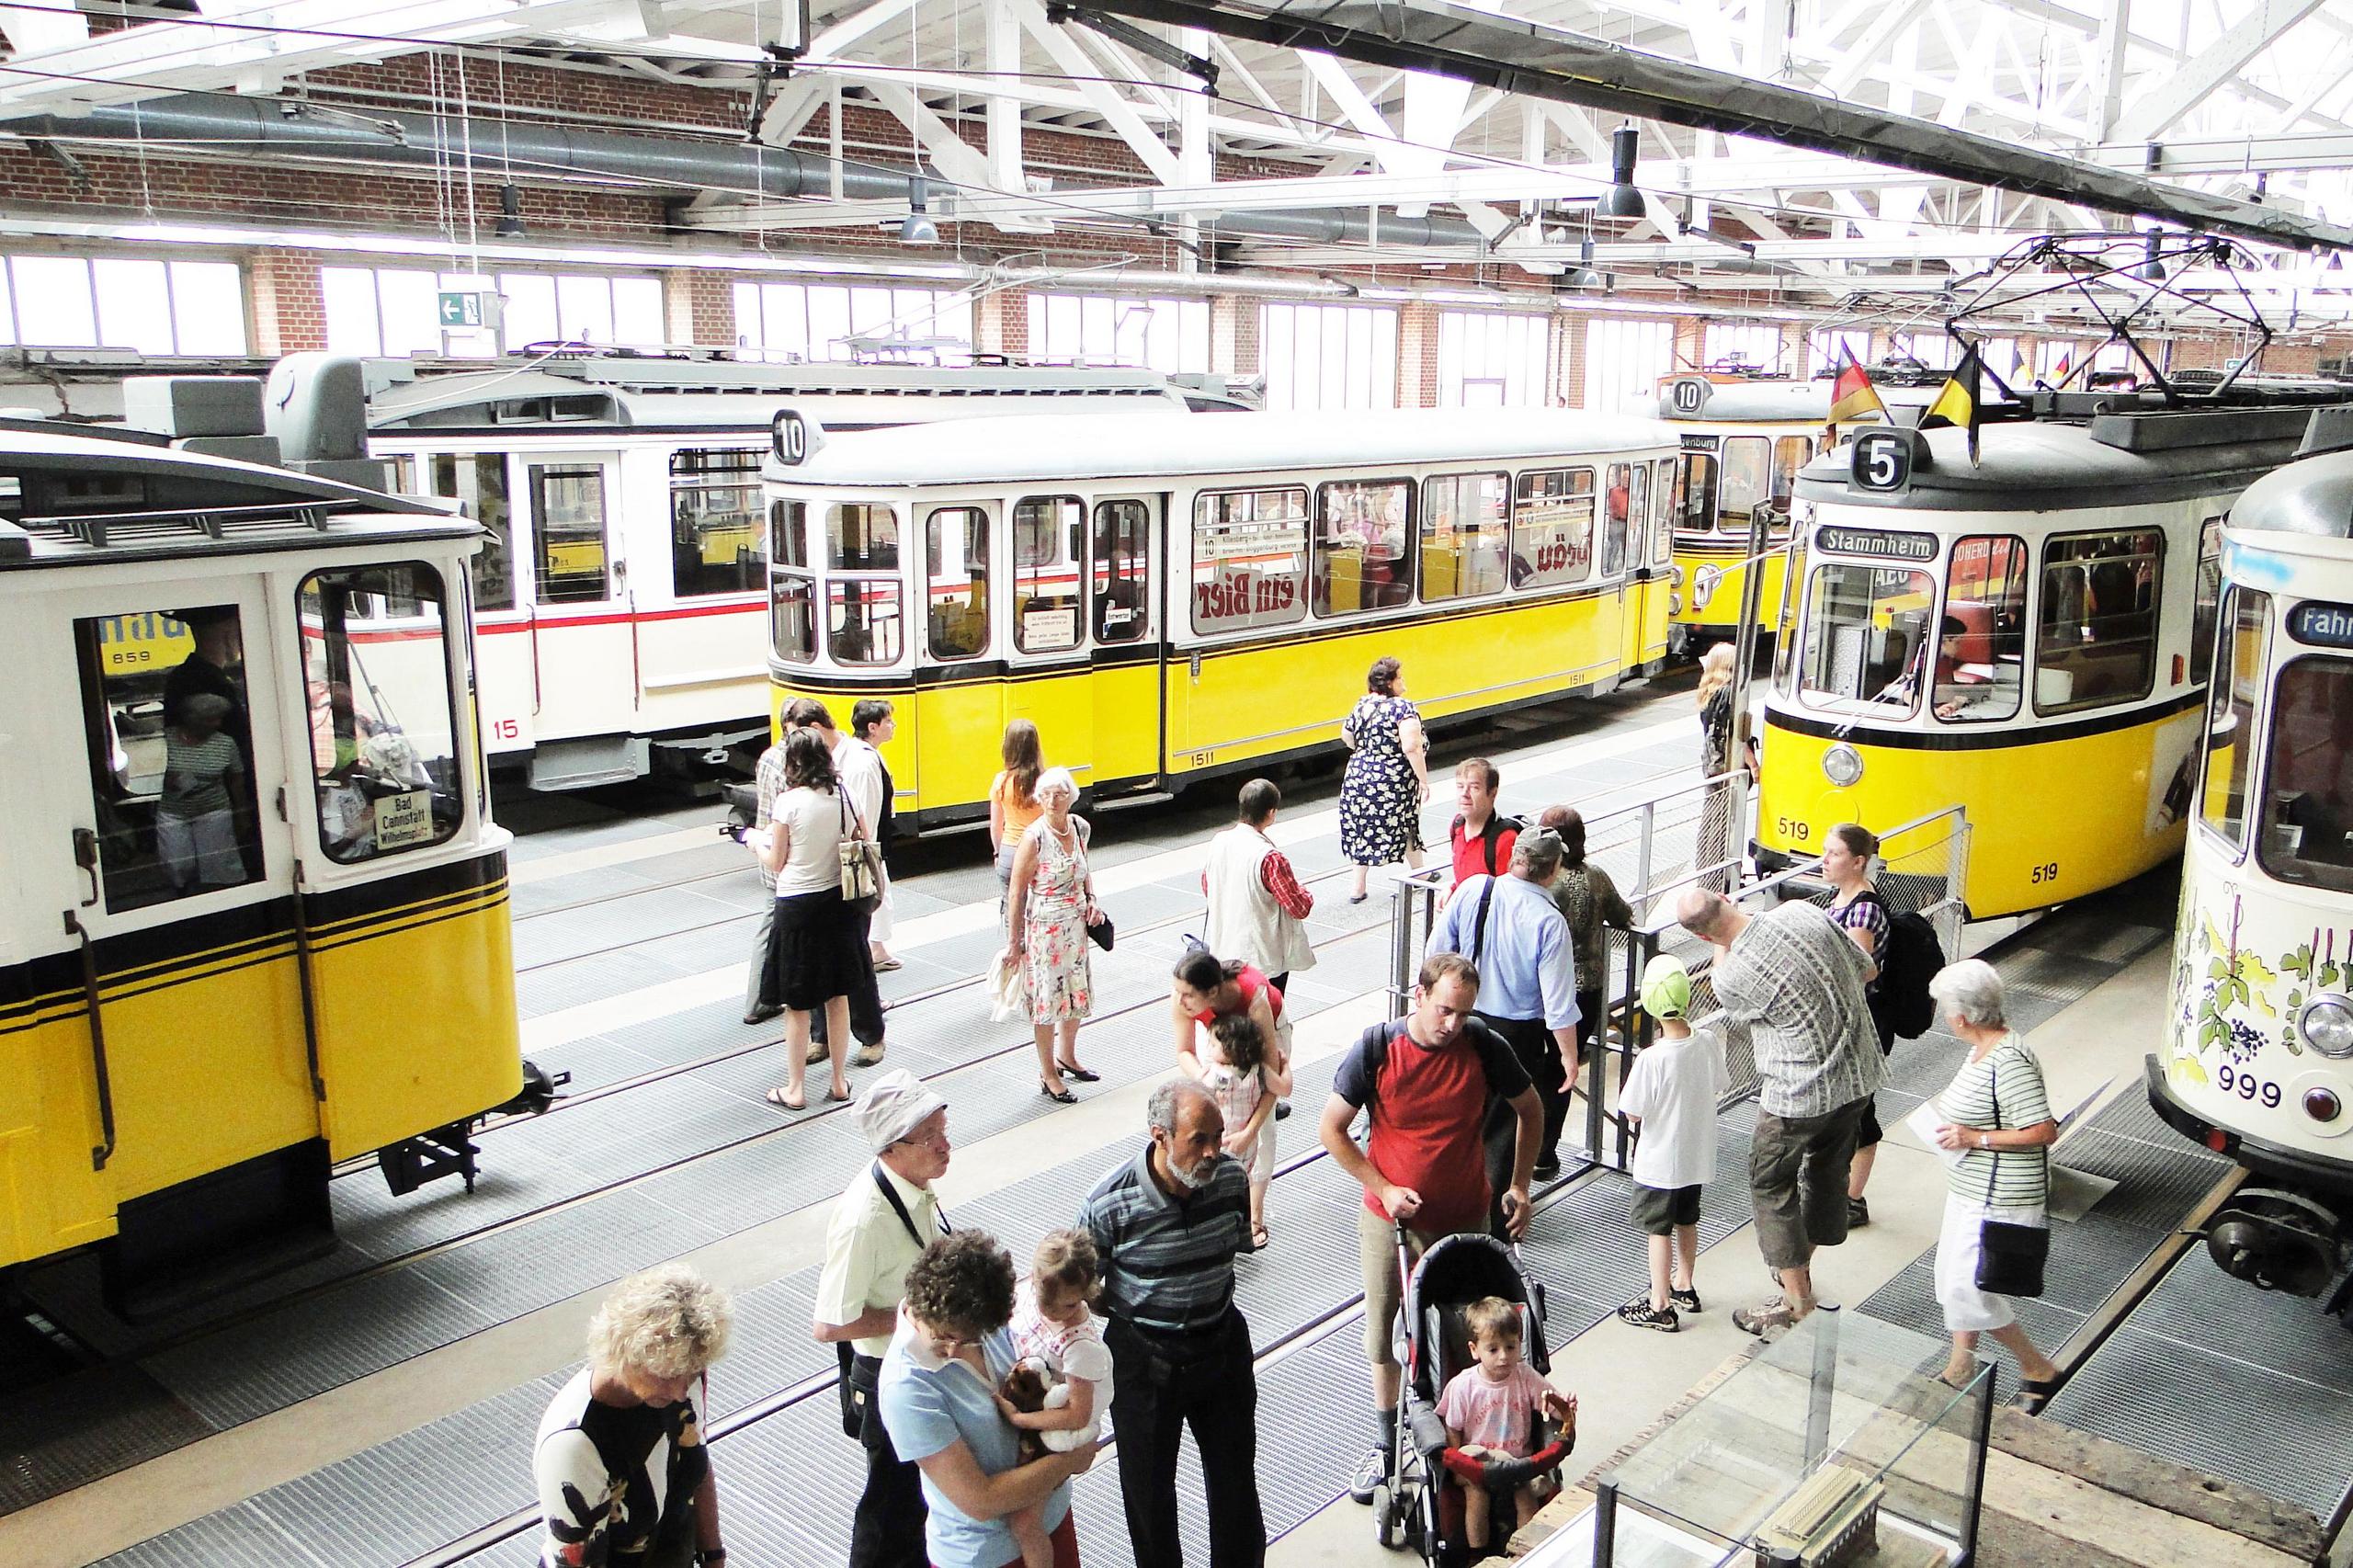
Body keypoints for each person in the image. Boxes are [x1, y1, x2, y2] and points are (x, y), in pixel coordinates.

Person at [1323, 953, 1541, 1506]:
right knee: (1384, 1338)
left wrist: (1519, 1185)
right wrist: (1385, 1187)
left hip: (1466, 1219)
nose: (1452, 1024)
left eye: (1463, 1014)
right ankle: (1386, 1445)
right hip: (1390, 1224)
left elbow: (1531, 1109)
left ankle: (1467, 1439)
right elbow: (1333, 1130)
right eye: (1445, 1010)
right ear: (1417, 997)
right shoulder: (1377, 1049)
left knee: (1462, 1337)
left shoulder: (1484, 1045)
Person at [1676, 887, 1882, 1340]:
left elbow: (1731, 997)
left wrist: (1720, 950)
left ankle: (1797, 1301)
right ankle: (1799, 1269)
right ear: (1724, 898)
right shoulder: (1802, 913)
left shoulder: (1732, 975)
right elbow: (1866, 968)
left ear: (1700, 935)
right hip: (1858, 1076)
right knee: (1829, 1171)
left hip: (1797, 1096)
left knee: (1770, 1183)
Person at [1079, 1079, 1265, 1568]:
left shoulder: (1230, 1179)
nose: (1211, 1152)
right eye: (1197, 1139)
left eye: (1218, 1137)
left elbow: (1234, 1248)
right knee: (1149, 1494)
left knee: (1236, 1487)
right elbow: (1083, 1287)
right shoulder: (1108, 1203)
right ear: (1159, 1135)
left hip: (1221, 1346)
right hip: (1144, 1361)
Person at [879, 1231, 1097, 1568]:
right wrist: (1070, 1459)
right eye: (944, 1337)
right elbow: (980, 1499)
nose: (953, 1350)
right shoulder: (906, 1388)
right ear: (923, 1304)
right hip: (985, 1555)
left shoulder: (983, 1320)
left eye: (968, 1340)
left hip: (1050, 1515)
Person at [815, 1072, 954, 1568]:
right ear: (891, 1149)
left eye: (943, 1128)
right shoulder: (865, 1218)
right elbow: (830, 1325)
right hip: (885, 1379)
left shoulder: (914, 1184)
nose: (946, 1145)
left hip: (921, 1363)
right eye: (930, 1137)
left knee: (920, 1504)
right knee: (889, 1510)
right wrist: (916, 1321)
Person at [1926, 959, 2063, 1410]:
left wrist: (1973, 1138)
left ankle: (2038, 1368)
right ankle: (1961, 1364)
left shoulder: (2009, 1060)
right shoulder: (1981, 1051)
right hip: (1971, 1188)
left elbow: (2043, 1129)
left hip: (2001, 1195)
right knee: (1953, 1279)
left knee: (1970, 1289)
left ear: (1960, 1017)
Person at [532, 1264, 731, 1568]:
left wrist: (714, 1557)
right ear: (628, 1355)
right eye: (668, 1375)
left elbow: (696, 1466)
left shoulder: (682, 1373)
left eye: (690, 1374)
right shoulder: (574, 1443)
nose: (680, 1392)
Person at [1429, 828, 1580, 1186]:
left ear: (1515, 857)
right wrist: (1569, 1058)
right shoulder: (1549, 921)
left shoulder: (1474, 889)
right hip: (1517, 1035)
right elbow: (1558, 1003)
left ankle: (1447, 1196)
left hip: (1461, 1020)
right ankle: (1491, 1213)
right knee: (1501, 1129)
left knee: (1458, 1111)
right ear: (1553, 869)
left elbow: (1435, 956)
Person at [1612, 955, 1729, 1333]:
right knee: (1687, 1219)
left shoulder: (1652, 1058)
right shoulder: (1707, 1041)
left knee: (1657, 1229)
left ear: (1648, 1004)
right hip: (1696, 1155)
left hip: (1660, 1161)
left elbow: (1631, 1112)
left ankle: (1659, 1304)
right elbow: (1718, 1084)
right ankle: (1684, 1283)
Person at [756, 729, 862, 1111]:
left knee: (798, 1004)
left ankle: (795, 1088)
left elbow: (776, 861)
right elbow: (861, 839)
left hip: (797, 909)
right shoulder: (843, 795)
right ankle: (838, 1082)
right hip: (837, 904)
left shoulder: (787, 803)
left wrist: (754, 842)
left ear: (793, 761)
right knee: (838, 995)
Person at [1002, 1231, 1116, 1568]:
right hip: (1031, 1400)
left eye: (1066, 1304)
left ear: (1085, 1293)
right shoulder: (1024, 1295)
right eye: (1043, 1299)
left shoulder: (1080, 1346)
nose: (1052, 1312)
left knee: (1024, 1523)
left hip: (1055, 1432)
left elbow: (1077, 1414)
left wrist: (1021, 1420)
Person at [789, 698, 888, 1069]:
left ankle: (870, 1035)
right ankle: (822, 1036)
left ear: (814, 731)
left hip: (847, 883)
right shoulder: (806, 783)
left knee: (855, 963)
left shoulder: (858, 763)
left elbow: (866, 830)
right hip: (815, 884)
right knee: (816, 965)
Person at [1438, 1296, 1575, 1553]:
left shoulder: (1525, 1377)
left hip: (1517, 1464)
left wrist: (1565, 1405)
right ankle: (1478, 1553)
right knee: (1476, 1498)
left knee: (1526, 1500)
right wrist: (1457, 1467)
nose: (1503, 1357)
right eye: (1493, 1349)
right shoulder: (1463, 1386)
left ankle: (1525, 1551)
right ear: (1474, 1350)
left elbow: (1551, 1405)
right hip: (1478, 1465)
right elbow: (1453, 1427)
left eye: (1511, 1347)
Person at [1007, 767, 1102, 1102]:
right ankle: (1048, 1073)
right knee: (1047, 1001)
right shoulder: (1034, 837)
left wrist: (1092, 900)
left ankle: (1068, 1056)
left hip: (1075, 925)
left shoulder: (1078, 827)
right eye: (1045, 794)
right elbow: (1017, 892)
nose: (1051, 800)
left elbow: (1085, 870)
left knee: (1076, 993)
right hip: (1045, 929)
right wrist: (1014, 943)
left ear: (1070, 797)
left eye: (1059, 793)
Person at [1821, 823, 1893, 1228]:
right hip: (1848, 1022)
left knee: (1860, 1110)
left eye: (1833, 854)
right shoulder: (1841, 898)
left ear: (1858, 861)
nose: (1824, 860)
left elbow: (1858, 970)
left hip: (1861, 1024)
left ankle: (1851, 1199)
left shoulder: (1863, 909)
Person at [1539, 805, 1634, 1084]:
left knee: (1539, 1070)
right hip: (1586, 991)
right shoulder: (1596, 877)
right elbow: (1622, 915)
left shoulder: (1543, 883)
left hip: (1545, 989)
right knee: (1564, 1073)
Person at [1199, 778, 1315, 996]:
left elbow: (1208, 886)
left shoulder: (1219, 842)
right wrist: (1306, 893)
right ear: (1271, 813)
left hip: (1223, 953)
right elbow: (1299, 907)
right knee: (1266, 1019)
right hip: (1262, 961)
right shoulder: (1270, 858)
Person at [1339, 656, 1429, 903]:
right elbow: (1412, 747)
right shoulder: (1403, 708)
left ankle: (1357, 887)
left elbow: (1346, 735)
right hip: (1392, 780)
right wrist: (1423, 780)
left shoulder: (1363, 704)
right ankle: (1420, 874)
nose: (1404, 682)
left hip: (1358, 777)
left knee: (1362, 828)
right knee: (1407, 823)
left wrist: (1367, 753)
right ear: (1390, 682)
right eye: (1400, 677)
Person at [1200, 1013, 1293, 1251]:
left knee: (1215, 1189)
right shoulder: (1258, 1070)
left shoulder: (1217, 1075)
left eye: (1213, 1044)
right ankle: (1245, 1225)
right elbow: (1285, 1088)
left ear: (1229, 1048)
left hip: (1221, 1143)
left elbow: (1200, 1094)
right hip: (1248, 1146)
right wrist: (1284, 1065)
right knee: (1242, 1184)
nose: (1209, 1049)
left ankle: (1218, 1231)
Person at [157, 691, 247, 891]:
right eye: (210, 719)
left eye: (219, 718)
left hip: (213, 808)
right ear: (191, 719)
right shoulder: (166, 738)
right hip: (173, 809)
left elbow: (236, 778)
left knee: (219, 864)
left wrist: (241, 813)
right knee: (177, 863)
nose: (217, 723)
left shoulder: (225, 743)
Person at [845, 699, 903, 972]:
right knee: (878, 893)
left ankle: (877, 947)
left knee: (882, 892)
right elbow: (864, 809)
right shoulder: (864, 763)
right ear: (873, 727)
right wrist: (869, 847)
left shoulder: (864, 753)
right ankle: (874, 948)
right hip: (871, 843)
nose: (893, 726)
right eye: (888, 722)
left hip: (875, 840)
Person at [1694, 642, 1752, 893]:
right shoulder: (1728, 693)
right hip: (1726, 768)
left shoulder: (1708, 691)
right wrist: (1754, 765)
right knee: (1721, 823)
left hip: (1710, 764)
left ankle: (1705, 875)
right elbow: (1734, 734)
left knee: (1710, 820)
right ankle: (1716, 881)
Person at [165, 605, 250, 754]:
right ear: (229, 636)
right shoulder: (216, 685)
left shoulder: (180, 677)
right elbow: (239, 746)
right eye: (238, 634)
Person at [990, 722, 1046, 912]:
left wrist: (998, 853)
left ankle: (1014, 941)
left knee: (1012, 909)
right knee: (1041, 908)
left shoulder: (1001, 781)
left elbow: (996, 826)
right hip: (1040, 851)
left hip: (1010, 850)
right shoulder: (1045, 782)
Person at [1445, 757, 1518, 898]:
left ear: (1492, 794)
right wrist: (1452, 889)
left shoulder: (1505, 839)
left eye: (1474, 787)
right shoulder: (1457, 826)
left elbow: (1510, 897)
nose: (1464, 794)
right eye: (1460, 786)